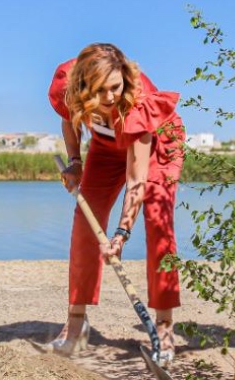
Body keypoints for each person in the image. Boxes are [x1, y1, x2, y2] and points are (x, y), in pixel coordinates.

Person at [46, 43, 185, 362]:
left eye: (115, 88)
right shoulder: (66, 83)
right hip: (106, 146)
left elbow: (137, 180)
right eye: (101, 90)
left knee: (157, 223)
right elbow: (69, 118)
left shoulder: (137, 104)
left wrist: (121, 234)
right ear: (82, 86)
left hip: (158, 144)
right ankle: (76, 324)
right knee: (85, 222)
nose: (109, 97)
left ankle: (163, 329)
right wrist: (75, 161)